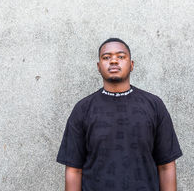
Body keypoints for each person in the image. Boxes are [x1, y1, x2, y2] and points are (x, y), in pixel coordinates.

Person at [57, 38, 182, 191]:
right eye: (106, 57)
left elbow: (166, 166)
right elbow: (73, 169)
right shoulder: (83, 109)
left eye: (121, 57)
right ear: (98, 66)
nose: (114, 61)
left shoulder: (154, 106)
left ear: (132, 65)